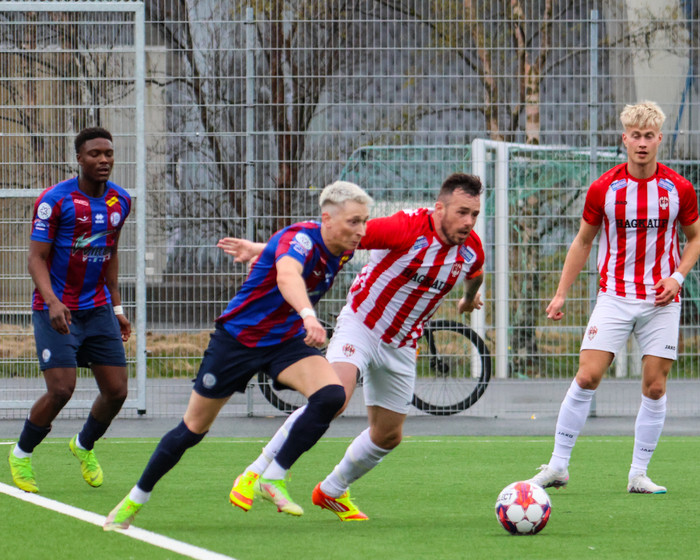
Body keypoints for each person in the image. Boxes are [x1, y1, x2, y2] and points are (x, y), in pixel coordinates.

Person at [103, 180, 372, 530]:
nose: (361, 230)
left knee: (332, 395)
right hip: (238, 341)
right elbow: (288, 274)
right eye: (354, 221)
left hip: (284, 341)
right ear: (327, 219)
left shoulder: (341, 247)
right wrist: (308, 314)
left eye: (364, 221)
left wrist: (259, 249)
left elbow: (282, 251)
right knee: (192, 429)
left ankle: (272, 477)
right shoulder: (302, 239)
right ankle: (134, 499)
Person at [223, 172, 485, 520]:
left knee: (388, 435)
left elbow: (475, 272)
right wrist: (264, 249)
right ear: (440, 208)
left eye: (474, 214)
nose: (468, 222)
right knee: (333, 398)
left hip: (403, 343)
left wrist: (468, 299)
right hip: (361, 325)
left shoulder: (471, 248)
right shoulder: (404, 228)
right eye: (462, 212)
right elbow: (334, 237)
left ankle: (332, 490)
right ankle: (255, 473)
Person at [527, 101, 700, 494]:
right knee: (587, 376)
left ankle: (638, 474)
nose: (642, 143)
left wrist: (677, 277)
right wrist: (560, 294)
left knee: (654, 387)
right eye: (635, 136)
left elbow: (695, 239)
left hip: (661, 302)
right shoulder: (604, 188)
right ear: (625, 139)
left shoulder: (679, 189)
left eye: (649, 136)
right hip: (615, 297)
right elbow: (583, 241)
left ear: (659, 139)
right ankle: (557, 466)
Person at [8, 127, 132, 494]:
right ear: (79, 159)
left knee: (117, 391)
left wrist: (118, 307)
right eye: (95, 154)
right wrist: (52, 301)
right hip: (57, 309)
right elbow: (36, 258)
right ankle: (21, 453)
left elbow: (110, 254)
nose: (103, 160)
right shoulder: (55, 201)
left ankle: (83, 445)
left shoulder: (121, 201)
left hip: (98, 309)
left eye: (108, 153)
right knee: (61, 389)